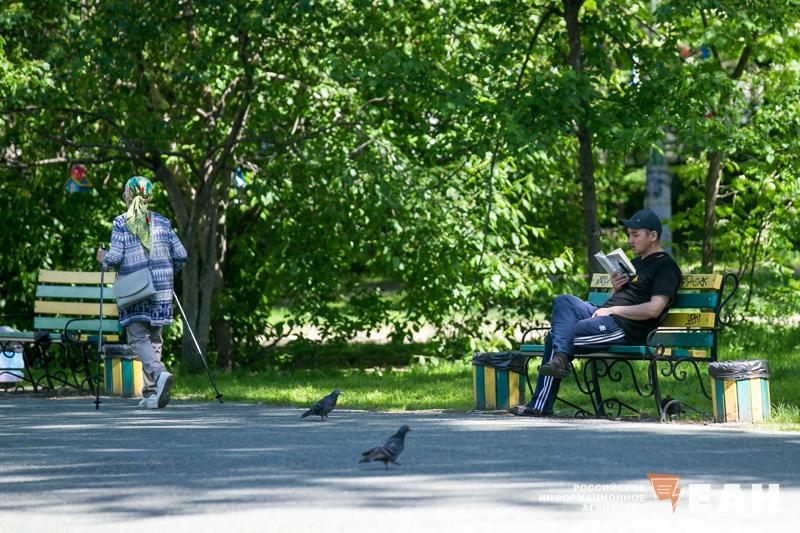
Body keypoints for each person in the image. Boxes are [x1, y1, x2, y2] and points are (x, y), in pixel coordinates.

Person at [512, 209, 682, 417]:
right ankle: (561, 359)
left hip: (624, 327)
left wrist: (612, 310)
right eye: (629, 235)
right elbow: (620, 298)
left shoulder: (666, 267)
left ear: (653, 236)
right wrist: (616, 288)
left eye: (635, 235)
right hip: (606, 316)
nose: (630, 240)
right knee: (565, 300)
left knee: (556, 336)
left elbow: (654, 309)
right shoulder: (635, 264)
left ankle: (541, 402)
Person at [96, 176, 187, 409]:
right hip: (162, 288)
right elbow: (181, 255)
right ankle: (151, 393)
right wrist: (168, 271)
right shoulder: (163, 222)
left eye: (125, 192)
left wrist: (103, 258)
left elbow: (115, 257)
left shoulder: (122, 222)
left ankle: (159, 373)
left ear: (128, 196)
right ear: (148, 196)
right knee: (154, 339)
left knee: (137, 338)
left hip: (135, 289)